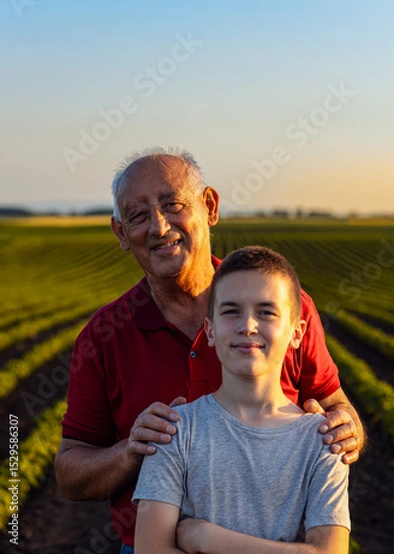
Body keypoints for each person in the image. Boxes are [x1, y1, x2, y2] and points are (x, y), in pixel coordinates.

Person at [54, 147, 363, 553]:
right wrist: (131, 450)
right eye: (138, 215)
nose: (160, 227)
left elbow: (334, 405)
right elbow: (70, 473)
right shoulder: (104, 337)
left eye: (173, 204)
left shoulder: (288, 308)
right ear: (121, 234)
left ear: (210, 206)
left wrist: (345, 430)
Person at [133, 246, 350, 554]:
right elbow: (150, 550)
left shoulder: (321, 440)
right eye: (231, 311)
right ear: (210, 330)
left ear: (297, 333)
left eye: (266, 312)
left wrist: (204, 538)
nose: (247, 326)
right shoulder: (174, 430)